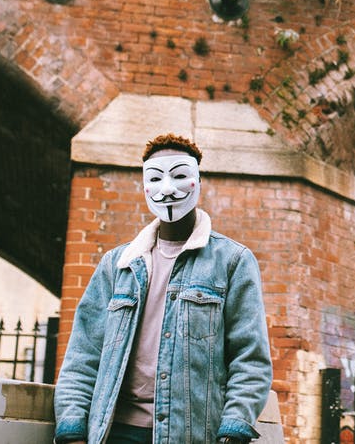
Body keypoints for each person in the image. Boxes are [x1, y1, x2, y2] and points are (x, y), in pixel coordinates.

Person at [54, 133, 273, 444]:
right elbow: (83, 354)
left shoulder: (233, 261)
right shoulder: (117, 265)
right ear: (144, 186)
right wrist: (72, 428)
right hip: (115, 432)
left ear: (198, 181)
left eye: (180, 175)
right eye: (155, 178)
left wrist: (234, 430)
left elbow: (250, 358)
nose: (167, 189)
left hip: (191, 435)